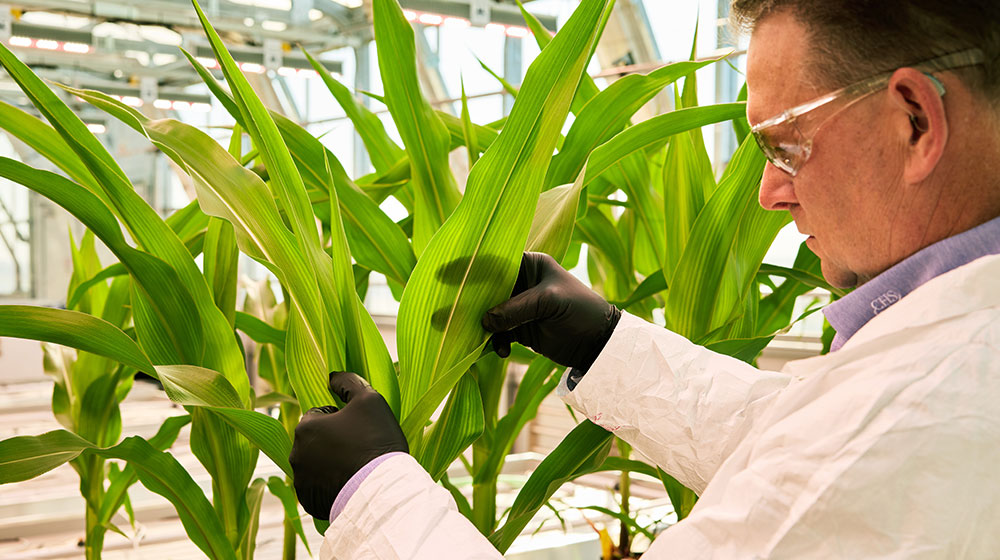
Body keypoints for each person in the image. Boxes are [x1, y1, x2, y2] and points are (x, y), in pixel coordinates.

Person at [290, 0, 1000, 557]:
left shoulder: (917, 410)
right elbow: (799, 447)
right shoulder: (956, 359)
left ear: (915, 121)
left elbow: (844, 460)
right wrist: (606, 347)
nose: (769, 194)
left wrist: (373, 499)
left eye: (785, 147)